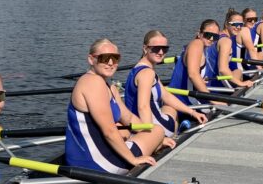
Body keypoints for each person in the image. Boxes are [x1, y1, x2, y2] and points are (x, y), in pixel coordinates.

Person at [65, 38, 165, 174]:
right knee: (158, 131)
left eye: (115, 58)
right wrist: (134, 160)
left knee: (138, 131)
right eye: (104, 58)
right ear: (91, 59)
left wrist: (150, 135)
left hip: (88, 158)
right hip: (97, 165)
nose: (111, 63)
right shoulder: (93, 83)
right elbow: (109, 131)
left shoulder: (108, 85)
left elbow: (128, 117)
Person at [124, 30, 206, 135]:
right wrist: (151, 136)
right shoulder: (147, 73)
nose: (161, 52)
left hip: (137, 125)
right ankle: (178, 131)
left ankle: (179, 128)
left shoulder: (138, 68)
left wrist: (192, 112)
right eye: (156, 48)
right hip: (153, 128)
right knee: (170, 109)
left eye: (164, 49)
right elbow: (143, 107)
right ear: (145, 48)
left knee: (168, 105)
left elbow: (166, 95)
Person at [170, 19, 221, 107]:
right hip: (184, 102)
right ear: (199, 33)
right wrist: (213, 100)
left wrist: (200, 80)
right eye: (208, 35)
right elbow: (193, 74)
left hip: (182, 98)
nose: (212, 39)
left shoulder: (199, 45)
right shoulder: (197, 44)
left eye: (215, 36)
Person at [214, 10, 255, 88]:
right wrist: (241, 83)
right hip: (218, 84)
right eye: (235, 24)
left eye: (241, 24)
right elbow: (223, 69)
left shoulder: (217, 35)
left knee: (238, 71)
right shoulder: (226, 41)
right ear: (226, 24)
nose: (238, 27)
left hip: (213, 78)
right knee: (238, 72)